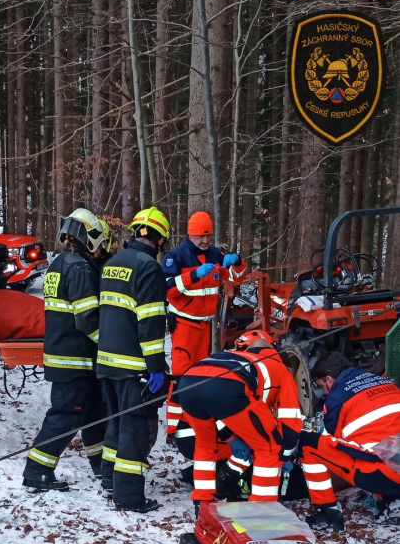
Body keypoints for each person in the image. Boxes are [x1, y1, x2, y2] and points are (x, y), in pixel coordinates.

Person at [22, 209, 109, 492]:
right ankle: (36, 472)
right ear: (90, 236)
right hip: (74, 357)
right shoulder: (79, 268)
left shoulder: (60, 262)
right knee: (66, 415)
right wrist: (107, 344)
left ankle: (102, 467)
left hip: (67, 354)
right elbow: (86, 318)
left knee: (95, 412)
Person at [176, 330, 308, 513]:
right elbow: (290, 418)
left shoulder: (232, 356)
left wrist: (230, 437)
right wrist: (285, 454)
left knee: (205, 445)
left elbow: (221, 412)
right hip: (230, 387)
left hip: (188, 382)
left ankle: (202, 502)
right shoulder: (279, 368)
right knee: (269, 448)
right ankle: (262, 510)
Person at [96, 206, 169, 512]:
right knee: (134, 429)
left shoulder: (113, 263)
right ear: (160, 240)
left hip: (106, 361)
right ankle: (128, 496)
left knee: (115, 423)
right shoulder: (149, 268)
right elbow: (149, 323)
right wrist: (156, 368)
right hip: (133, 366)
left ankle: (110, 479)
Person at [162, 211, 247, 437]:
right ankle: (173, 428)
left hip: (206, 326)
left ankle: (196, 423)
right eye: (201, 236)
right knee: (181, 377)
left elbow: (239, 277)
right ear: (190, 234)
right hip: (184, 325)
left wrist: (237, 261)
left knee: (201, 376)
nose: (206, 241)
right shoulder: (176, 257)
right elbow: (167, 289)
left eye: (208, 236)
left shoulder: (215, 254)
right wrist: (194, 276)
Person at [299, 351, 400, 530]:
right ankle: (393, 502)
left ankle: (328, 513)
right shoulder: (384, 382)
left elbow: (334, 440)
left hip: (389, 473)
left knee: (309, 444)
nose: (323, 391)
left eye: (322, 385)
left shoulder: (336, 399)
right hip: (395, 459)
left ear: (330, 380)